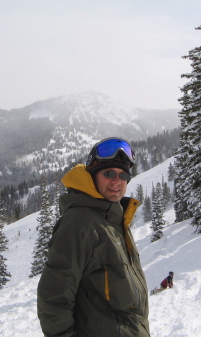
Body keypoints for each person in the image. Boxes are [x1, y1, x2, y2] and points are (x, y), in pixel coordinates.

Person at [37, 137, 150, 337]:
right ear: (93, 175)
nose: (117, 181)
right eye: (108, 173)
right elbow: (53, 298)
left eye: (123, 175)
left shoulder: (114, 218)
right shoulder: (79, 223)